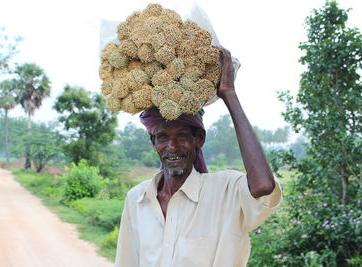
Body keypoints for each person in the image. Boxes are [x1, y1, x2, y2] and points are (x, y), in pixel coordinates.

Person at [114, 46, 282, 267]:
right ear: (153, 143)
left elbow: (263, 186)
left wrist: (229, 94)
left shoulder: (224, 191)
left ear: (199, 139)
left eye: (182, 136)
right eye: (163, 137)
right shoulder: (137, 199)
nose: (172, 147)